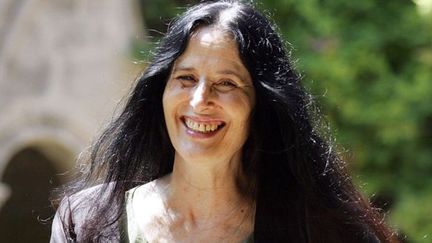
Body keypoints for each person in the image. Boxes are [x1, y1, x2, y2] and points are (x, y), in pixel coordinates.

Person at [50, 1, 399, 242]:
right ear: (161, 90)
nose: (200, 100)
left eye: (226, 83)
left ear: (259, 105)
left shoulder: (315, 228)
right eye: (185, 78)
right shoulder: (87, 221)